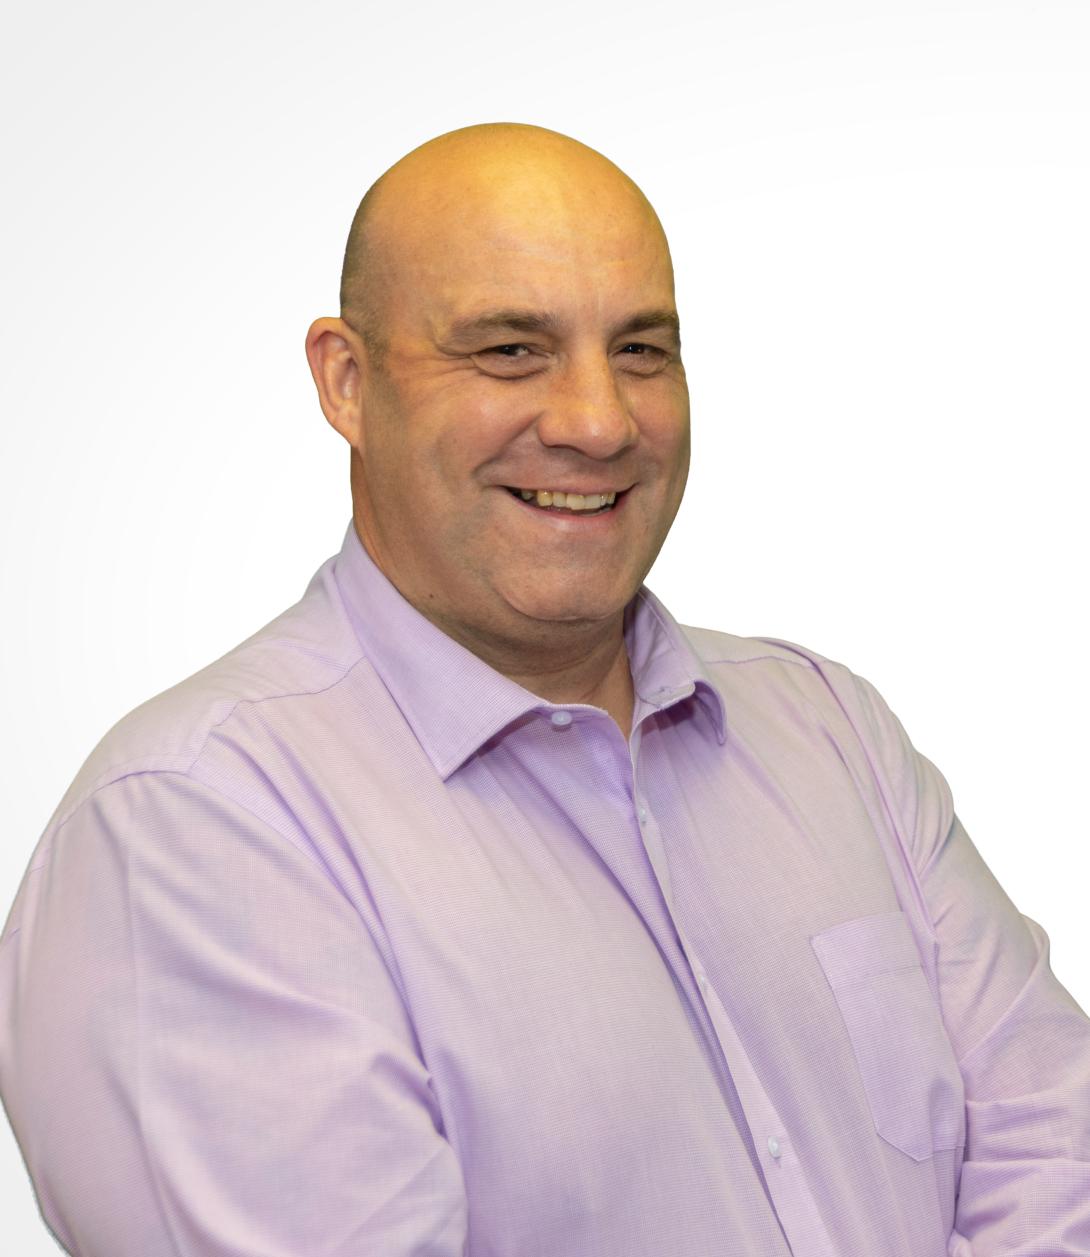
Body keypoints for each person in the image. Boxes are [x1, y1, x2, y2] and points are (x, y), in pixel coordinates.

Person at [1, 122, 1087, 1257]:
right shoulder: (189, 833)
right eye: (510, 350)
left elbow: (1057, 1153)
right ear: (347, 382)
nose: (596, 422)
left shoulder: (828, 730)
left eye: (641, 351)